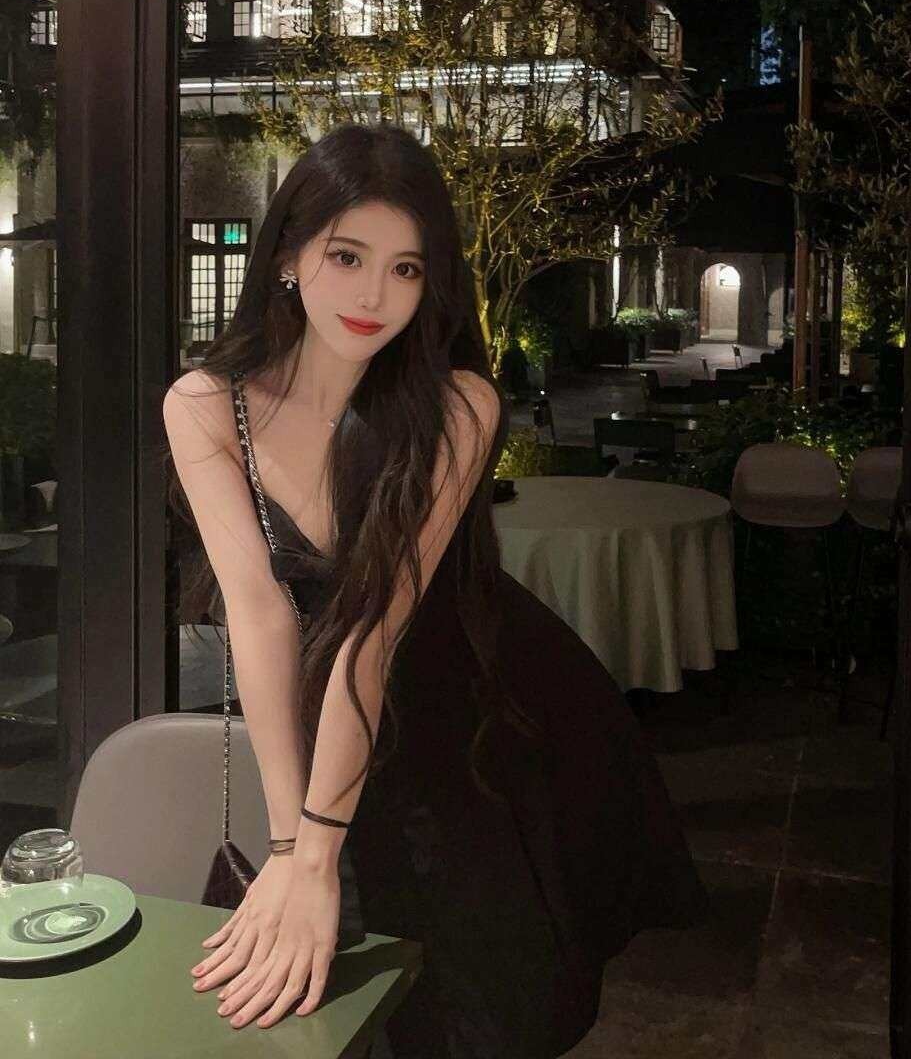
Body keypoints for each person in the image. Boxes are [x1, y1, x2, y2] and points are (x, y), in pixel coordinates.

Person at [162, 123, 710, 1057]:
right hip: (337, 716)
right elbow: (260, 615)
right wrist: (292, 846)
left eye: (406, 269)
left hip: (479, 709)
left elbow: (370, 632)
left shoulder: (457, 405)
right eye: (347, 256)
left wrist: (311, 853)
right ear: (288, 256)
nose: (374, 295)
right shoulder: (208, 406)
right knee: (324, 995)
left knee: (483, 997)